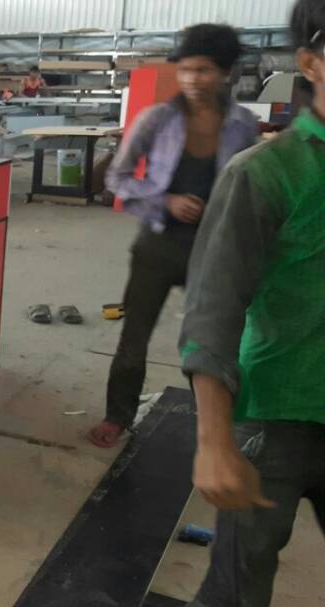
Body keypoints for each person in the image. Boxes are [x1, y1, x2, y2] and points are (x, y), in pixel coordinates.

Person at [181, 1, 325, 604]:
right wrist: (215, 440)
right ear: (311, 63)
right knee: (238, 585)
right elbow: (213, 309)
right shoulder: (267, 172)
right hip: (275, 415)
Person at [87, 24, 259, 448]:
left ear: (225, 72)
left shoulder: (243, 125)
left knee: (216, 340)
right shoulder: (157, 119)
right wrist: (165, 200)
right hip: (158, 246)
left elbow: (250, 186)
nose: (192, 80)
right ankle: (118, 415)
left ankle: (219, 424)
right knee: (135, 335)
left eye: (203, 70)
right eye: (186, 70)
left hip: (214, 250)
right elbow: (118, 177)